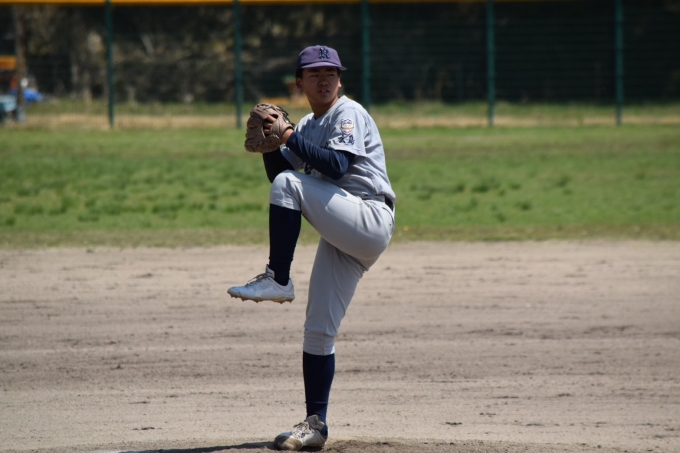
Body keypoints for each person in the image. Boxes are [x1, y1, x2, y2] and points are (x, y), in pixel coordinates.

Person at [228, 45, 396, 451]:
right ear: (299, 83)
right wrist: (271, 145)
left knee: (290, 186)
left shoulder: (348, 113)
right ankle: (315, 425)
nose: (324, 79)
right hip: (343, 231)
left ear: (340, 80)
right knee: (318, 330)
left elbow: (336, 167)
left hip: (368, 217)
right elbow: (281, 173)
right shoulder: (307, 123)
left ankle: (278, 278)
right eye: (315, 73)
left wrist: (286, 135)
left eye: (331, 73)